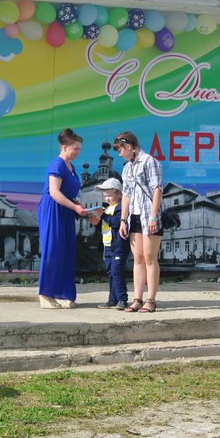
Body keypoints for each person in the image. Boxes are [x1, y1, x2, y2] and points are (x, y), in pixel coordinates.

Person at [37, 128, 89, 309]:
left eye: (79, 149)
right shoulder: (57, 165)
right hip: (53, 210)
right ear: (64, 146)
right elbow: (54, 192)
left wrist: (80, 208)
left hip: (66, 211)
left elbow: (68, 194)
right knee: (53, 250)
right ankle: (45, 294)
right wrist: (75, 206)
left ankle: (63, 294)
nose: (77, 152)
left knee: (66, 252)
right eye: (75, 148)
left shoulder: (71, 167)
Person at [114, 131, 163, 313]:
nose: (119, 153)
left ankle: (151, 300)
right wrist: (123, 219)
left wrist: (152, 215)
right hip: (134, 215)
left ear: (128, 146)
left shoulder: (149, 161)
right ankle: (137, 299)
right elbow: (126, 194)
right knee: (138, 258)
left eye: (119, 149)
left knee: (150, 258)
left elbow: (157, 189)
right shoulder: (127, 167)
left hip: (149, 214)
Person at [89, 177, 129, 309]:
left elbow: (117, 222)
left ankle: (123, 299)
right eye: (105, 196)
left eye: (109, 196)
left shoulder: (121, 207)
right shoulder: (107, 208)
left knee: (117, 271)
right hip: (107, 246)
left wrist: (103, 216)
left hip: (118, 246)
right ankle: (113, 299)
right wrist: (97, 222)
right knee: (111, 272)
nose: (106, 198)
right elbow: (106, 225)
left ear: (118, 193)